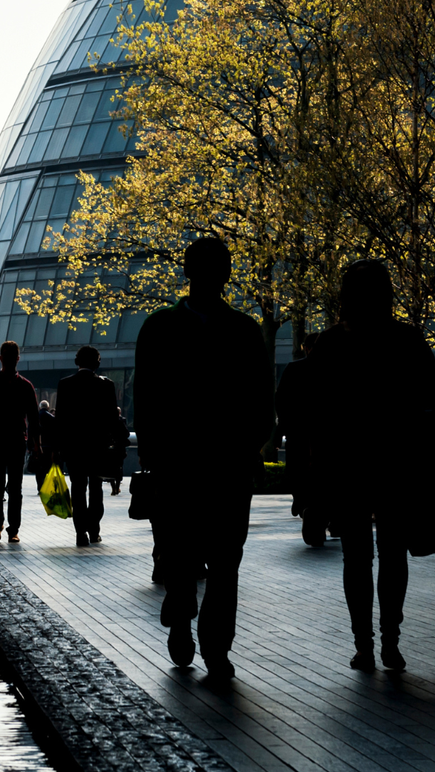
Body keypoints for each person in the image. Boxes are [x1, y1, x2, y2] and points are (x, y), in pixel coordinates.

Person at [133, 237, 273, 680]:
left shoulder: (159, 328)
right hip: (211, 465)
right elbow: (260, 401)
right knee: (215, 559)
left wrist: (154, 457)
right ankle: (209, 640)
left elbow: (147, 400)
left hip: (192, 465)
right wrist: (252, 446)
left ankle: (197, 629)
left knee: (208, 556)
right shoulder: (244, 331)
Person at [311, 259, 435, 673]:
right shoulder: (407, 340)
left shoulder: (330, 345)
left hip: (349, 463)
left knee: (356, 556)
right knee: (393, 553)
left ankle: (363, 642)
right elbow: (429, 407)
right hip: (397, 461)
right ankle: (389, 639)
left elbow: (317, 416)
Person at [56, 345, 124, 546]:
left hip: (74, 447)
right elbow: (113, 418)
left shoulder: (65, 384)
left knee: (78, 488)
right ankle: (94, 529)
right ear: (97, 362)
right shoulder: (106, 385)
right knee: (96, 488)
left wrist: (59, 448)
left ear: (77, 362)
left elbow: (60, 419)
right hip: (98, 446)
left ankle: (80, 532)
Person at [0, 341, 41, 542]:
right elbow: (34, 418)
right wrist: (36, 444)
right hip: (17, 441)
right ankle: (13, 529)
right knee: (15, 487)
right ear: (17, 359)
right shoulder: (26, 386)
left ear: (0, 358)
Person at [276, 332, 328, 548]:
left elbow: (281, 401)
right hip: (326, 434)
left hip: (299, 432)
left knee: (298, 471)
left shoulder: (293, 369)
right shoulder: (335, 370)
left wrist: (283, 429)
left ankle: (303, 502)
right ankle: (319, 512)